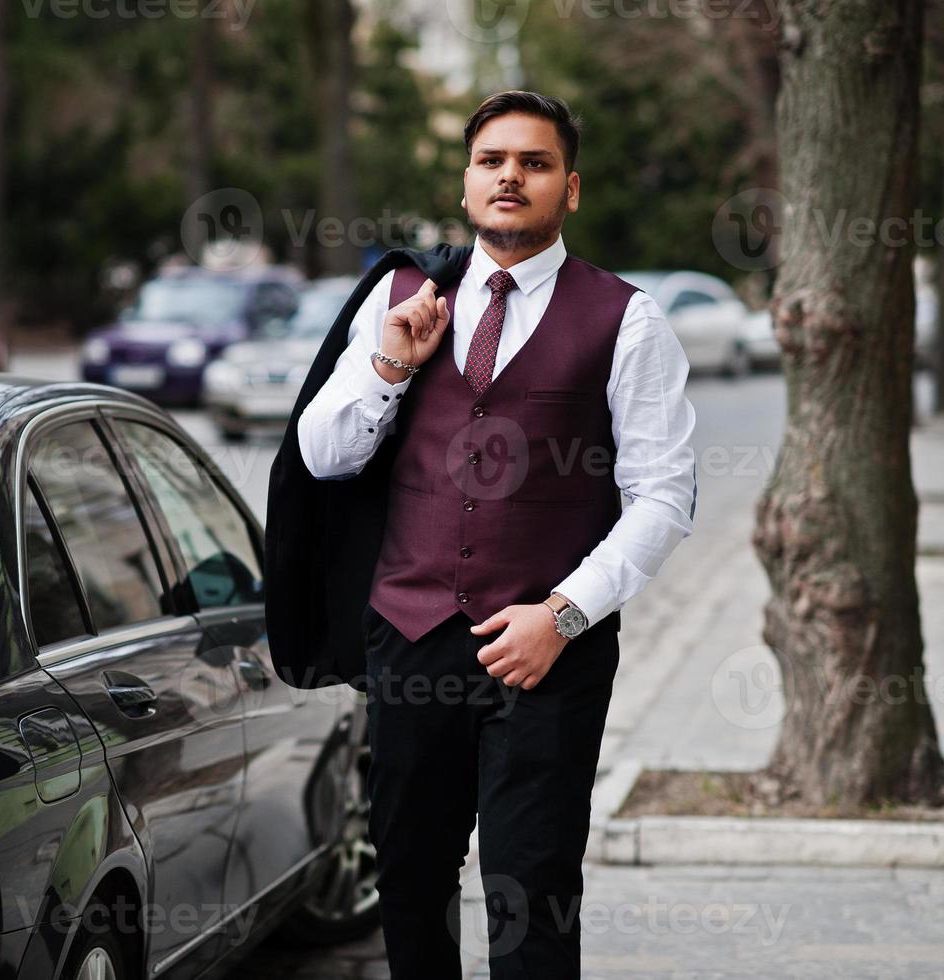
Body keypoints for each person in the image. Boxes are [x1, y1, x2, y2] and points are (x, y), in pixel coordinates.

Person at [267, 91, 698, 978]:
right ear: (466, 184)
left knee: (530, 894)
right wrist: (391, 363)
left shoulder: (626, 319)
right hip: (411, 642)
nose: (510, 176)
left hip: (548, 655)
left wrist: (564, 615)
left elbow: (662, 495)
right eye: (491, 161)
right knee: (412, 888)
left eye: (534, 163)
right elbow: (322, 456)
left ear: (568, 189)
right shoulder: (401, 295)